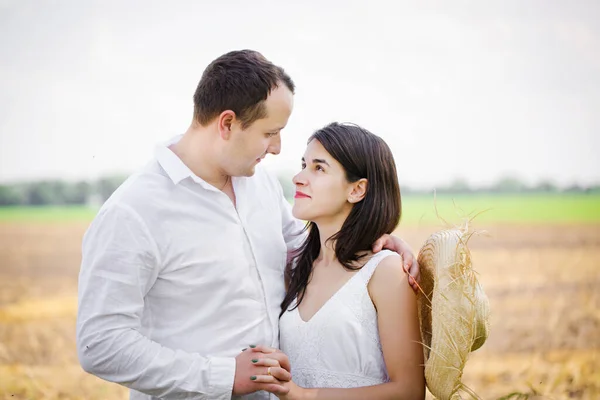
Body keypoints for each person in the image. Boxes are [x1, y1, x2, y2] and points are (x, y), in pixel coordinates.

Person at [76, 50, 420, 400]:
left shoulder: (261, 186)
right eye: (270, 132)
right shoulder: (133, 211)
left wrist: (378, 241)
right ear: (227, 124)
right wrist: (223, 377)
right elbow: (100, 343)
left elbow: (311, 254)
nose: (277, 148)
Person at [252, 123, 426, 399]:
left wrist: (304, 396)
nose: (298, 177)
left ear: (357, 190)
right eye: (303, 164)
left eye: (318, 168)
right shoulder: (297, 268)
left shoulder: (386, 271)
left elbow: (409, 391)